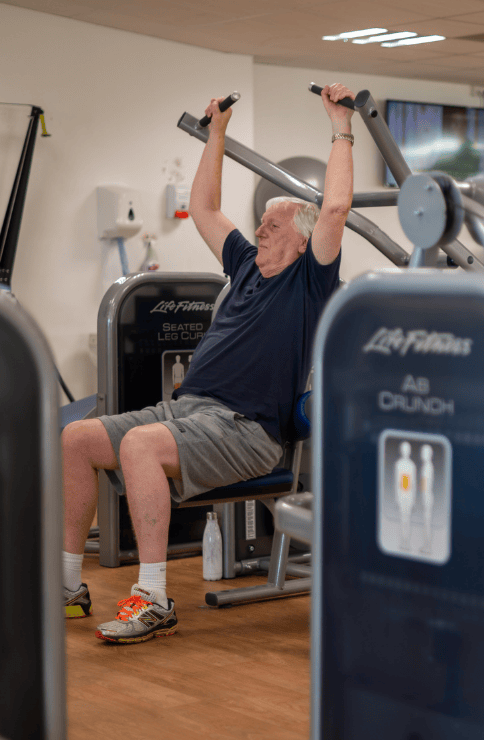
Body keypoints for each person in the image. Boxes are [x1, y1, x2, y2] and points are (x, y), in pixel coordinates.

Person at [59, 83, 357, 643]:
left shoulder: (309, 281)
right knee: (76, 438)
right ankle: (68, 584)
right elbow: (203, 208)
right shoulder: (244, 265)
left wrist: (340, 125)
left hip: (246, 429)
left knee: (139, 445)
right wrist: (215, 134)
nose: (261, 230)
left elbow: (336, 206)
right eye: (262, 223)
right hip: (190, 411)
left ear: (303, 241)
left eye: (274, 225)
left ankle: (152, 598)